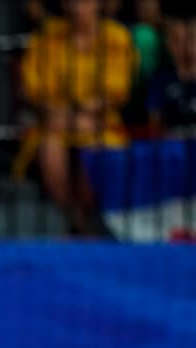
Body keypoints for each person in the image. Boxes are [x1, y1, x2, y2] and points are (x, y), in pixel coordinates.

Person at [14, 0, 135, 235]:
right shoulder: (48, 36)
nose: (78, 8)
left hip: (101, 122)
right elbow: (34, 88)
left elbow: (119, 88)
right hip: (56, 122)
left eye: (85, 2)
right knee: (50, 150)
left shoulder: (116, 37)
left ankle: (86, 217)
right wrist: (66, 116)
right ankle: (76, 218)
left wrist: (85, 114)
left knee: (96, 148)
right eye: (73, 2)